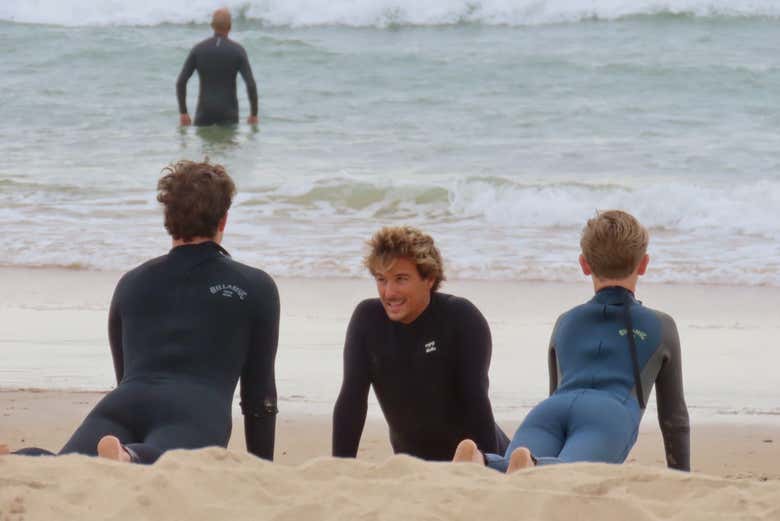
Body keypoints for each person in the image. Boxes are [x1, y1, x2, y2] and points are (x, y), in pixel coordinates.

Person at [5, 160, 279, 463]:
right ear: (223, 220)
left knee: (67, 464)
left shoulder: (131, 283)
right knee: (157, 461)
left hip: (121, 406)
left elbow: (124, 374)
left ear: (168, 218)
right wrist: (263, 468)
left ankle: (22, 459)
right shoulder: (255, 286)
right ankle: (129, 458)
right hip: (194, 412)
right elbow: (259, 398)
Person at [453, 210, 690, 473]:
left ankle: (481, 461)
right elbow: (674, 419)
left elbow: (556, 390)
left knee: (516, 469)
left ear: (584, 264)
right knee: (565, 474)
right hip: (608, 415)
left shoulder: (565, 321)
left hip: (549, 411)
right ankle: (530, 465)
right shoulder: (660, 325)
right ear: (644, 264)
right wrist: (681, 478)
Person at [332, 226, 509, 461]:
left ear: (429, 278)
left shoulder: (461, 319)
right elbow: (352, 401)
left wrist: (490, 467)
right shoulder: (367, 320)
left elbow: (476, 403)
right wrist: (341, 470)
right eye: (381, 280)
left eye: (401, 279)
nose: (389, 292)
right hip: (413, 467)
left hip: (473, 459)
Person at [176, 8, 259, 126]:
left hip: (204, 114)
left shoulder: (198, 49)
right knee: (228, 143)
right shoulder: (237, 51)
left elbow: (181, 82)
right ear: (230, 26)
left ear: (212, 26)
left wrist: (183, 113)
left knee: (205, 144)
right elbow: (250, 84)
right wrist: (253, 114)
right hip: (229, 114)